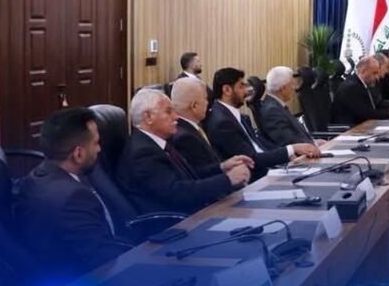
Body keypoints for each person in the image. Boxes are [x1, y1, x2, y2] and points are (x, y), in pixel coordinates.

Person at [14, 107, 131, 278]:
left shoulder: (35, 177)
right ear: (78, 153)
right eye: (96, 143)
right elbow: (106, 261)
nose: (99, 149)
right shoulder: (74, 199)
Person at [117, 89, 250, 214]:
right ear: (148, 117)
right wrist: (228, 179)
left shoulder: (156, 143)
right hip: (177, 224)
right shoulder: (143, 153)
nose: (176, 117)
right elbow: (177, 193)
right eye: (168, 111)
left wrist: (222, 167)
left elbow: (190, 175)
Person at [205, 68, 319, 182]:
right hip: (256, 179)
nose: (247, 91)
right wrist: (291, 149)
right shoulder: (222, 122)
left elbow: (260, 145)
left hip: (271, 170)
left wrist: (289, 155)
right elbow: (251, 159)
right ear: (227, 90)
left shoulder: (239, 116)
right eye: (241, 86)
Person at [169, 77, 253, 175]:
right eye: (205, 99)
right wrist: (229, 174)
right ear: (194, 106)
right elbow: (201, 174)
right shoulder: (184, 137)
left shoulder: (188, 128)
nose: (207, 103)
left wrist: (226, 165)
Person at [332, 56, 389, 126]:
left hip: (364, 126)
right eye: (374, 73)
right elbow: (367, 114)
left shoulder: (364, 83)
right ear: (363, 71)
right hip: (351, 130)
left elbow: (377, 103)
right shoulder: (351, 87)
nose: (377, 77)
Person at [258, 66, 316, 146]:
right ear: (283, 88)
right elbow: (288, 141)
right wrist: (312, 144)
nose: (294, 88)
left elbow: (296, 134)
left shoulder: (276, 105)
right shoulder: (272, 111)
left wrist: (314, 141)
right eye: (292, 84)